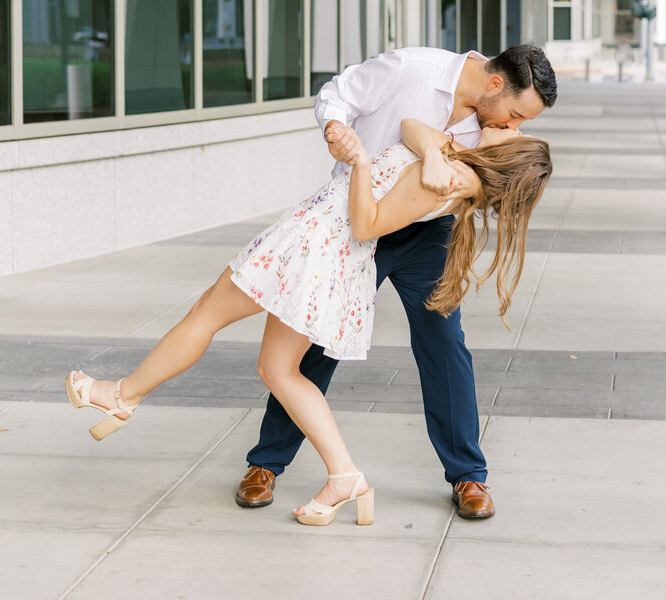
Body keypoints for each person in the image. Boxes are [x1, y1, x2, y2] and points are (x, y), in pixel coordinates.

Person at [65, 117, 552, 527]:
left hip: (315, 250)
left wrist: (362, 162)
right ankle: (344, 477)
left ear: (507, 158)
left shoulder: (443, 179)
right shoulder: (451, 159)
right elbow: (410, 125)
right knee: (279, 371)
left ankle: (122, 396)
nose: (511, 124)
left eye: (516, 132)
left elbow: (367, 225)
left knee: (206, 316)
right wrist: (431, 149)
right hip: (319, 253)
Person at [235, 43, 557, 521]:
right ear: (495, 84)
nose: (515, 127)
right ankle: (266, 464)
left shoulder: (493, 128)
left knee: (445, 344)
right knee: (318, 345)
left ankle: (469, 474)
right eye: (514, 115)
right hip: (356, 223)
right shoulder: (412, 70)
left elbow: (495, 176)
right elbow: (337, 94)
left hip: (429, 232)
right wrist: (336, 128)